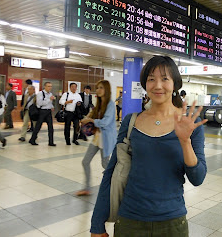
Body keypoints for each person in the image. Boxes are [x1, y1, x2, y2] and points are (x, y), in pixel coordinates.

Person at [90, 56, 207, 237]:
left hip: (172, 222)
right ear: (145, 84)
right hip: (130, 220)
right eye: (151, 79)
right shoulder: (131, 121)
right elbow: (111, 171)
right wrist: (97, 224)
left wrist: (185, 142)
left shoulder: (190, 123)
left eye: (165, 79)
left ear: (175, 84)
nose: (157, 85)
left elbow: (197, 178)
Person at [76, 80, 117, 196]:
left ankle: (117, 186)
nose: (98, 90)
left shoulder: (110, 104)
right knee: (85, 161)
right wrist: (87, 118)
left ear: (106, 90)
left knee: (106, 165)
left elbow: (106, 122)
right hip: (97, 139)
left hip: (106, 140)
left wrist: (90, 120)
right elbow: (92, 116)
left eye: (101, 88)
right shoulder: (98, 104)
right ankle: (87, 188)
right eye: (97, 88)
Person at [28, 82, 56, 146]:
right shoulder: (40, 94)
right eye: (48, 86)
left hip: (48, 112)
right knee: (38, 126)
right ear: (45, 87)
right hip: (42, 111)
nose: (50, 88)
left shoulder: (50, 94)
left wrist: (52, 107)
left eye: (51, 86)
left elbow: (50, 103)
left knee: (51, 127)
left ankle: (51, 142)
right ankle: (32, 139)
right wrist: (49, 99)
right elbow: (39, 103)